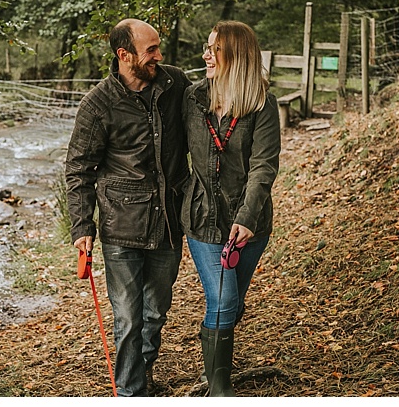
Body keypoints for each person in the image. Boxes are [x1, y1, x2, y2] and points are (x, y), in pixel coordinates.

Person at [66, 19, 190, 396]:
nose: (159, 56)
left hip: (169, 221)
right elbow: (78, 168)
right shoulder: (97, 104)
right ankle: (132, 391)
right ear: (125, 55)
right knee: (127, 318)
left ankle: (142, 367)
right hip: (121, 228)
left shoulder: (176, 84)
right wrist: (81, 226)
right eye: (150, 50)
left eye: (158, 48)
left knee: (156, 311)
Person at [184, 20, 281, 396]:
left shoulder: (261, 104)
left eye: (214, 49)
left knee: (231, 304)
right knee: (223, 300)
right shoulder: (193, 98)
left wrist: (246, 218)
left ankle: (212, 360)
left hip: (250, 223)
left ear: (236, 56)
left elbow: (264, 167)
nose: (206, 55)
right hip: (203, 219)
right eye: (207, 48)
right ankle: (219, 391)